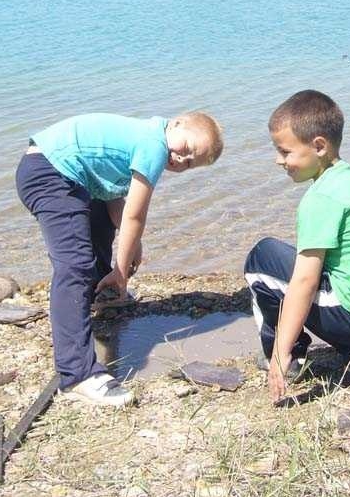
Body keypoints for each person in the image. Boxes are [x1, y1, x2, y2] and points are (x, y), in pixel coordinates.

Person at [16, 111, 223, 406]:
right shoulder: (154, 146)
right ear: (176, 123)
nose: (180, 160)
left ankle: (100, 292)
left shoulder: (144, 136)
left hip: (51, 168)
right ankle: (77, 374)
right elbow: (134, 215)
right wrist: (121, 271)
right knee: (74, 265)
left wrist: (132, 245)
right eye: (186, 149)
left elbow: (113, 197)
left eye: (189, 163)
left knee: (98, 217)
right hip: (50, 174)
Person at [244, 90, 350, 400]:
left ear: (319, 146)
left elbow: (305, 281)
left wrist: (281, 352)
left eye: (285, 151)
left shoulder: (320, 198)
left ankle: (285, 358)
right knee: (292, 263)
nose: (278, 160)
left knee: (260, 259)